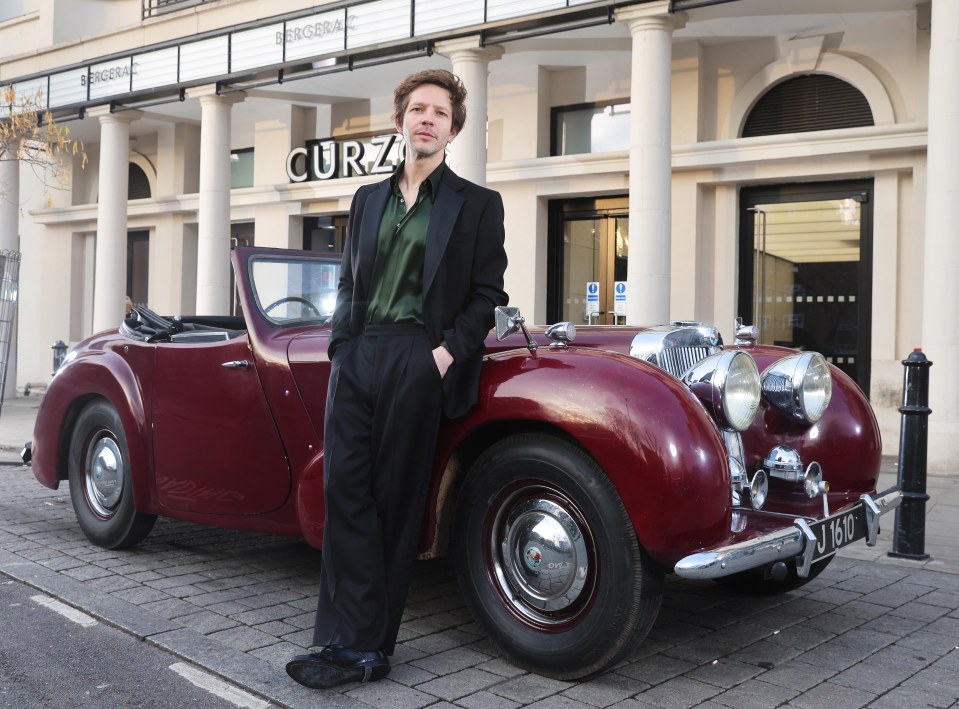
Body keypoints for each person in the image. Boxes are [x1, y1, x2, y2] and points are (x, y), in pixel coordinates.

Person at [286, 69, 509, 690]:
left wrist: (442, 356)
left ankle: (366, 649)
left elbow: (487, 295)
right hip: (359, 358)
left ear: (453, 128)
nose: (427, 119)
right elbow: (351, 284)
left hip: (419, 357)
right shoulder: (368, 201)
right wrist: (340, 346)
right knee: (345, 495)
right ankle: (336, 638)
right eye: (417, 109)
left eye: (439, 112)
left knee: (393, 503)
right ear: (400, 121)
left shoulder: (477, 206)